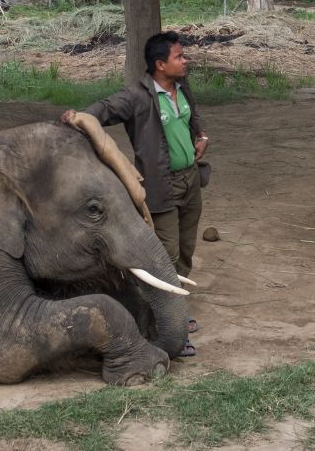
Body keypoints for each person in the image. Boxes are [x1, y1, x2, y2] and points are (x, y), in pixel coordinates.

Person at [61, 31, 210, 358]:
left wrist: (201, 135)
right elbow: (104, 108)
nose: (185, 61)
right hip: (161, 187)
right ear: (160, 65)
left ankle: (176, 311)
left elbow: (192, 116)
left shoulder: (182, 87)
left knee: (185, 250)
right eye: (179, 57)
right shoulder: (138, 97)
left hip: (190, 180)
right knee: (166, 254)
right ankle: (167, 325)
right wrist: (79, 118)